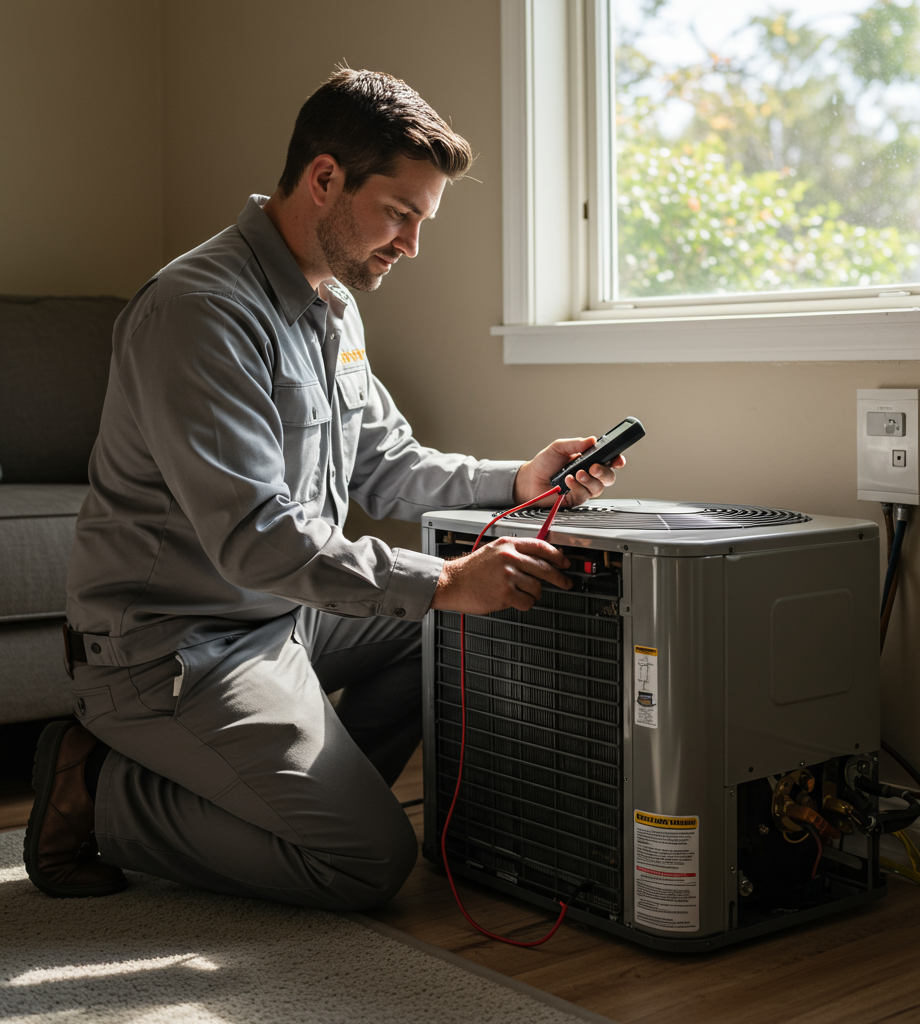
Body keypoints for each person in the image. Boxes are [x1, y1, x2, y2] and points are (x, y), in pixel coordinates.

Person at [24, 68, 623, 909]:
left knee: (435, 634)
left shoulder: (334, 305)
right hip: (173, 648)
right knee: (365, 865)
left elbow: (388, 463)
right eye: (400, 213)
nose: (411, 244)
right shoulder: (198, 309)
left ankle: (301, 803)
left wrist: (518, 479)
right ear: (325, 178)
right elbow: (254, 536)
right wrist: (446, 579)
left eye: (423, 221)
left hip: (282, 615)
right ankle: (103, 792)